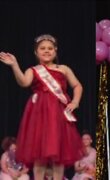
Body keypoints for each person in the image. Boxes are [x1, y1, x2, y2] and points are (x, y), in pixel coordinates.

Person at [0, 34, 84, 180]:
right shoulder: (33, 70)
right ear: (36, 52)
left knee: (59, 153)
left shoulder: (64, 69)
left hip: (59, 113)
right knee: (39, 155)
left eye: (50, 48)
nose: (47, 51)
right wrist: (14, 65)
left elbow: (77, 85)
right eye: (43, 48)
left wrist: (75, 101)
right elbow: (24, 82)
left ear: (55, 50)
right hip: (39, 114)